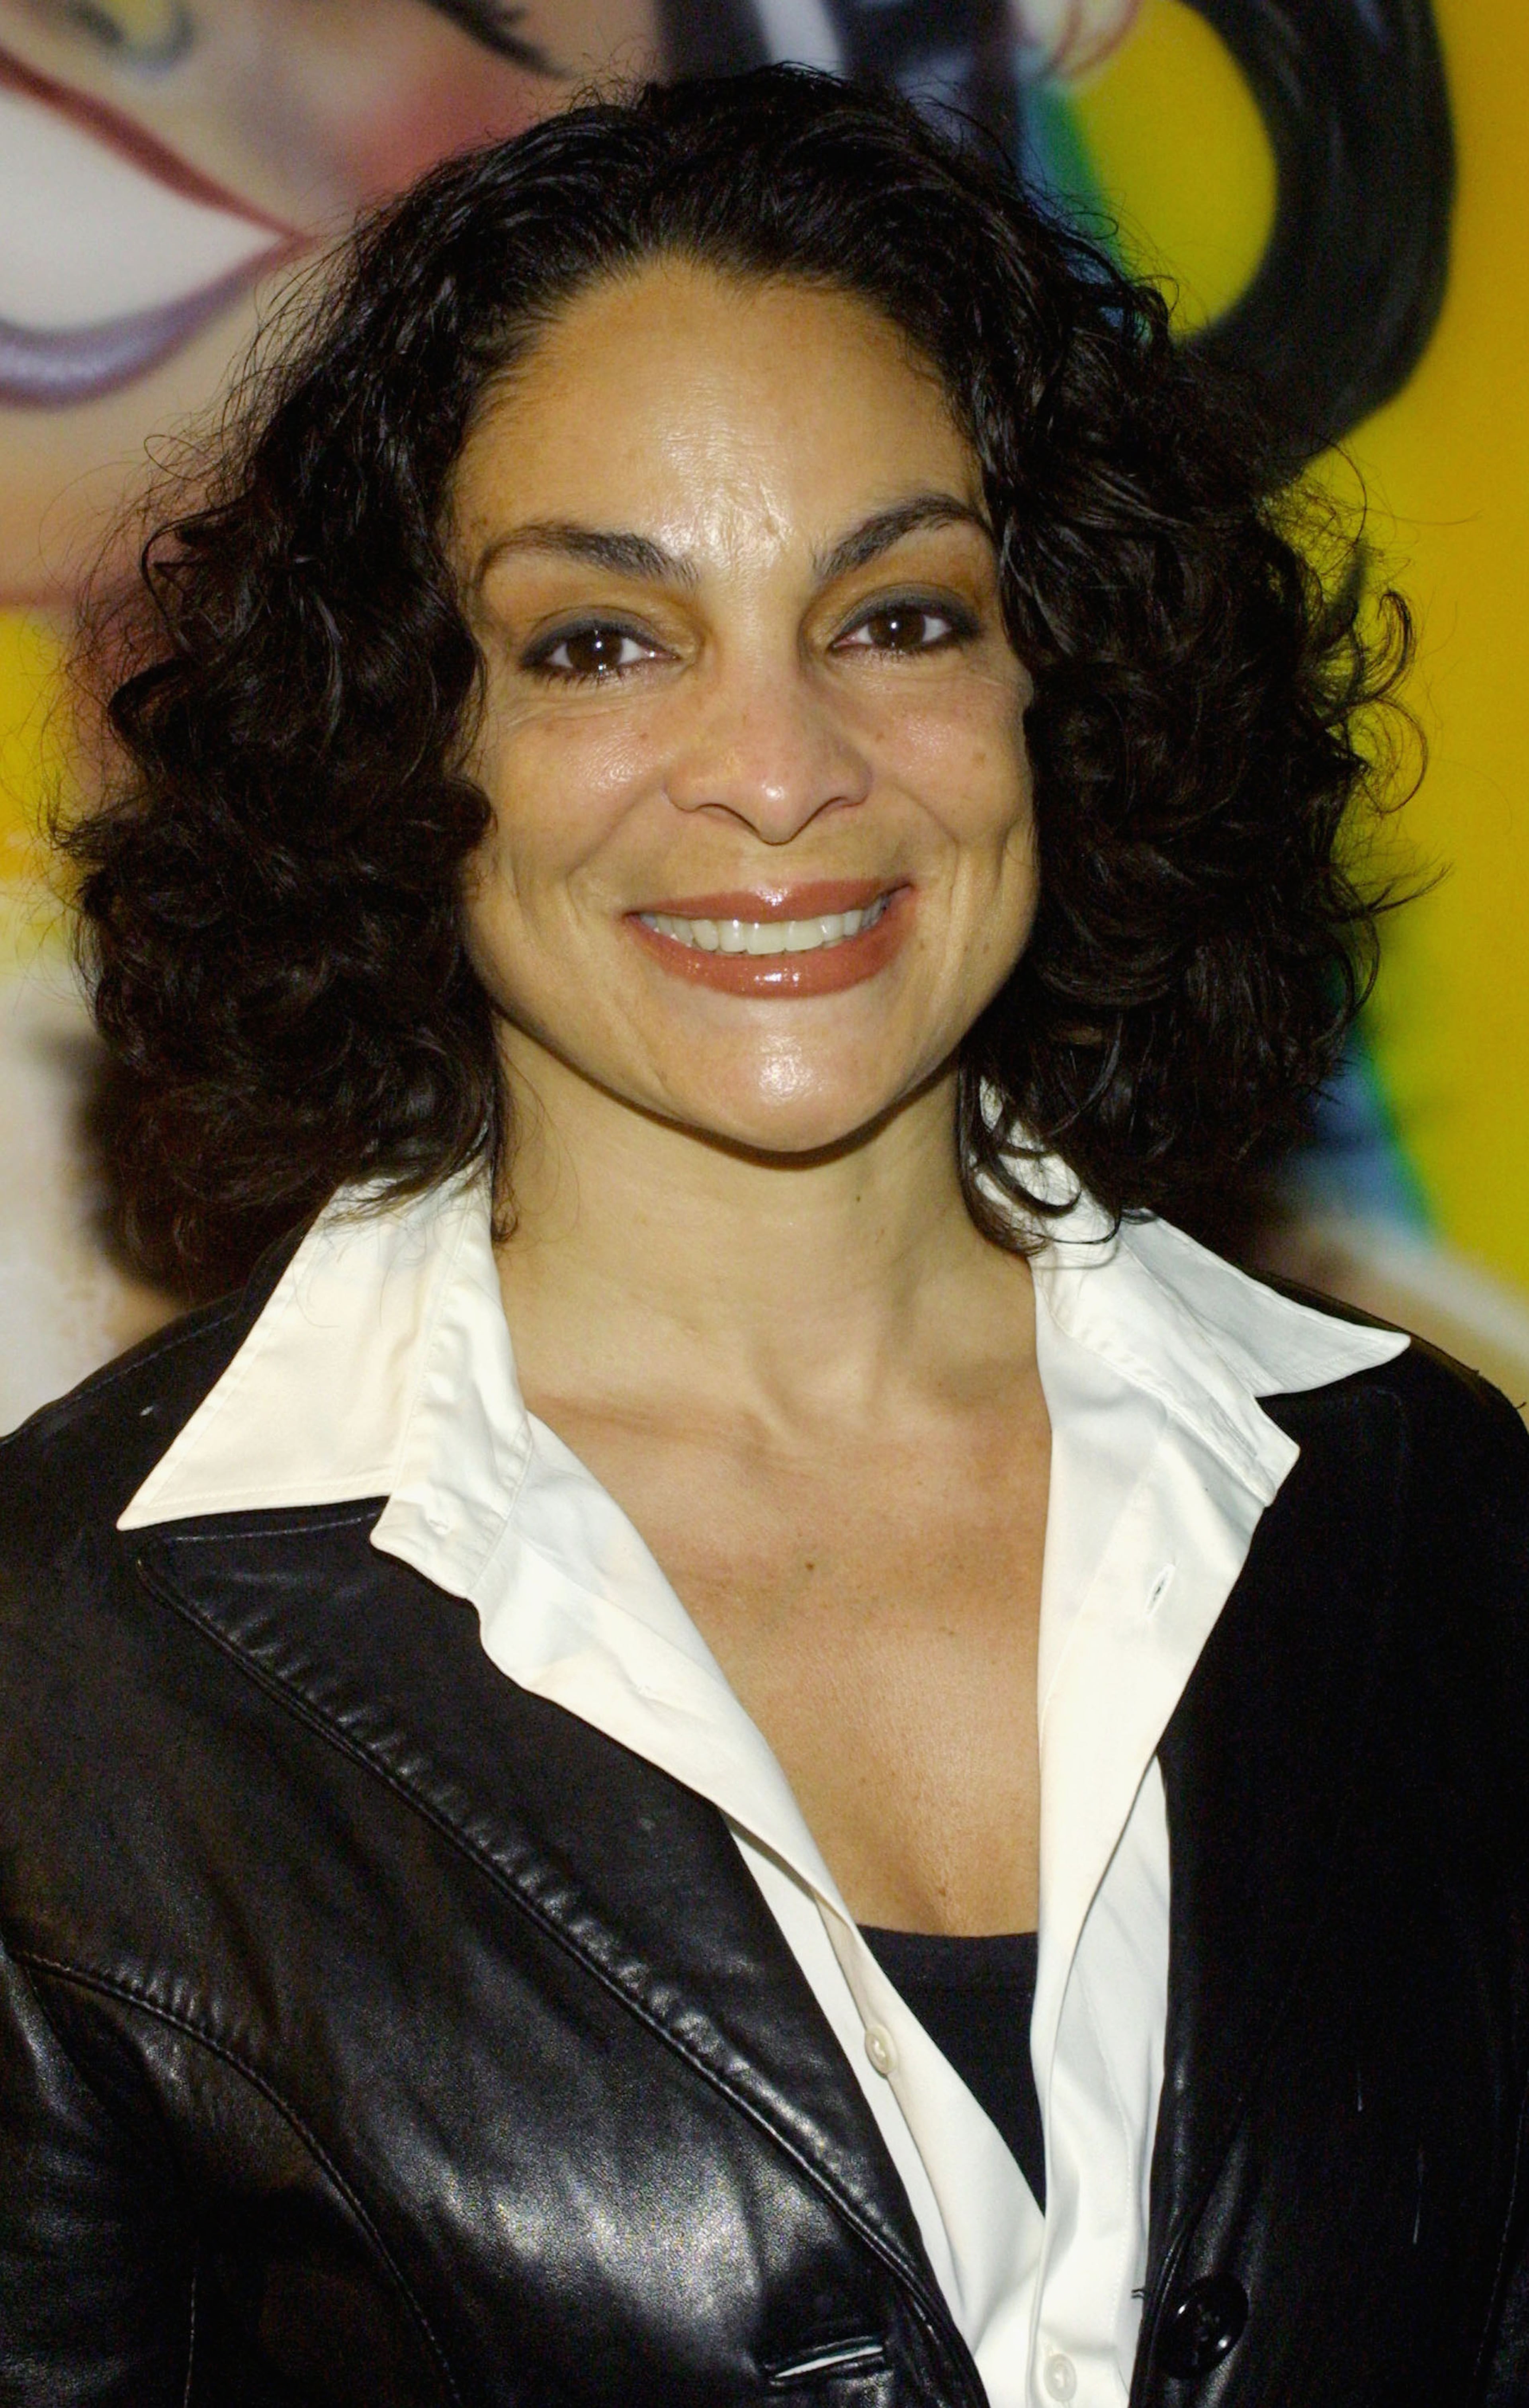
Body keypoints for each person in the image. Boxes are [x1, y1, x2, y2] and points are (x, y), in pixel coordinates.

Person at [2, 65, 1526, 2406]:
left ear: (1058, 686)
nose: (785, 769)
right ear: (414, 734)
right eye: (600, 642)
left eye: (899, 615)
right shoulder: (65, 1679)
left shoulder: (1437, 1515)